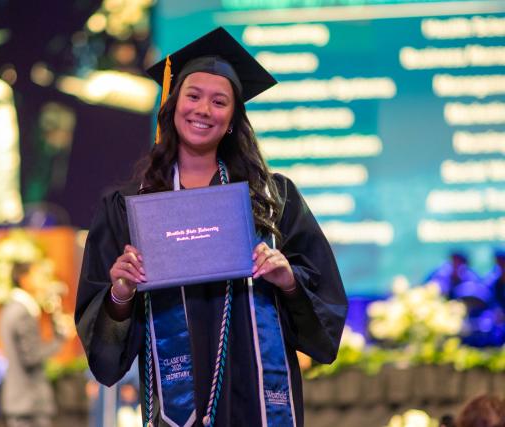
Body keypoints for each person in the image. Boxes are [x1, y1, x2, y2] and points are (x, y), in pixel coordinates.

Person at [75, 27, 348, 427]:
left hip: (257, 407)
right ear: (172, 106)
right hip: (176, 409)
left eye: (220, 101)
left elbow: (323, 325)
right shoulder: (129, 208)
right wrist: (120, 293)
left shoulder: (274, 201)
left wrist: (288, 280)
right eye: (193, 95)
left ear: (234, 119)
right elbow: (105, 354)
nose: (204, 110)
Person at [0, 262, 66, 427]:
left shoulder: (9, 308)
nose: (43, 281)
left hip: (21, 401)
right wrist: (59, 339)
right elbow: (31, 357)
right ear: (24, 279)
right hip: (30, 402)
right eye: (38, 276)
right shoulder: (22, 312)